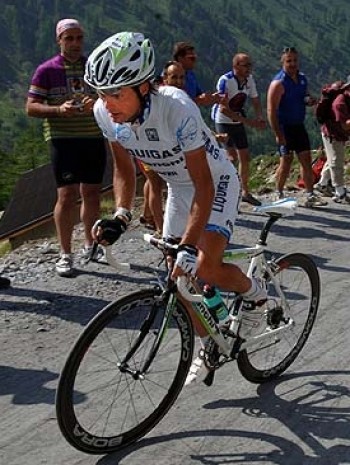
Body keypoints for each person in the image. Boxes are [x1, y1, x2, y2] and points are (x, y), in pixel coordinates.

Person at [85, 31, 268, 385]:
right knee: (177, 279)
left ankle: (256, 297)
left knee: (204, 266)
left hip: (214, 183)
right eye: (101, 94)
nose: (107, 104)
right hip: (179, 188)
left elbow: (204, 184)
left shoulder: (177, 107)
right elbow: (123, 170)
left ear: (143, 87)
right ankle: (207, 343)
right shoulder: (104, 113)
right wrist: (121, 216)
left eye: (116, 94)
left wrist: (189, 244)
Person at [26, 18, 107, 277]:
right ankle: (65, 253)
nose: (74, 43)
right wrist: (59, 110)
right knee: (67, 195)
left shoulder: (93, 67)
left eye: (78, 38)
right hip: (63, 138)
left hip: (93, 135)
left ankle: (90, 245)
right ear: (59, 40)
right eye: (68, 38)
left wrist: (95, 101)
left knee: (93, 192)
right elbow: (31, 106)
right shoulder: (47, 70)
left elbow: (111, 95)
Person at [267, 47, 327, 207]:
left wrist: (309, 100)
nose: (292, 63)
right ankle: (278, 193)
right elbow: (271, 110)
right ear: (283, 62)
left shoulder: (302, 78)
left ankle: (309, 195)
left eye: (295, 60)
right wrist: (278, 134)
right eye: (289, 61)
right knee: (286, 161)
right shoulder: (278, 83)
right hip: (284, 126)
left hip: (298, 125)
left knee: (306, 160)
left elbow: (304, 96)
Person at [211, 53, 266, 206]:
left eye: (250, 65)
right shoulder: (225, 81)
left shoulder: (249, 79)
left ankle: (245, 192)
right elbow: (223, 109)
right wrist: (249, 122)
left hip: (237, 119)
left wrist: (259, 116)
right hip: (223, 121)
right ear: (236, 66)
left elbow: (255, 99)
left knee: (245, 156)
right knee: (230, 158)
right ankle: (224, 192)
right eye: (246, 65)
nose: (249, 68)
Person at [318, 80, 350, 203]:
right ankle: (339, 192)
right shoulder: (340, 103)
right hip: (332, 134)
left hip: (337, 133)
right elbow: (345, 126)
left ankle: (323, 183)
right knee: (337, 161)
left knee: (333, 158)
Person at [172, 41, 222, 106]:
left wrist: (212, 98)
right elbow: (174, 103)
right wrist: (198, 100)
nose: (195, 61)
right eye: (191, 58)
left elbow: (198, 95)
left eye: (195, 58)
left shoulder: (190, 74)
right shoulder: (170, 77)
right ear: (180, 58)